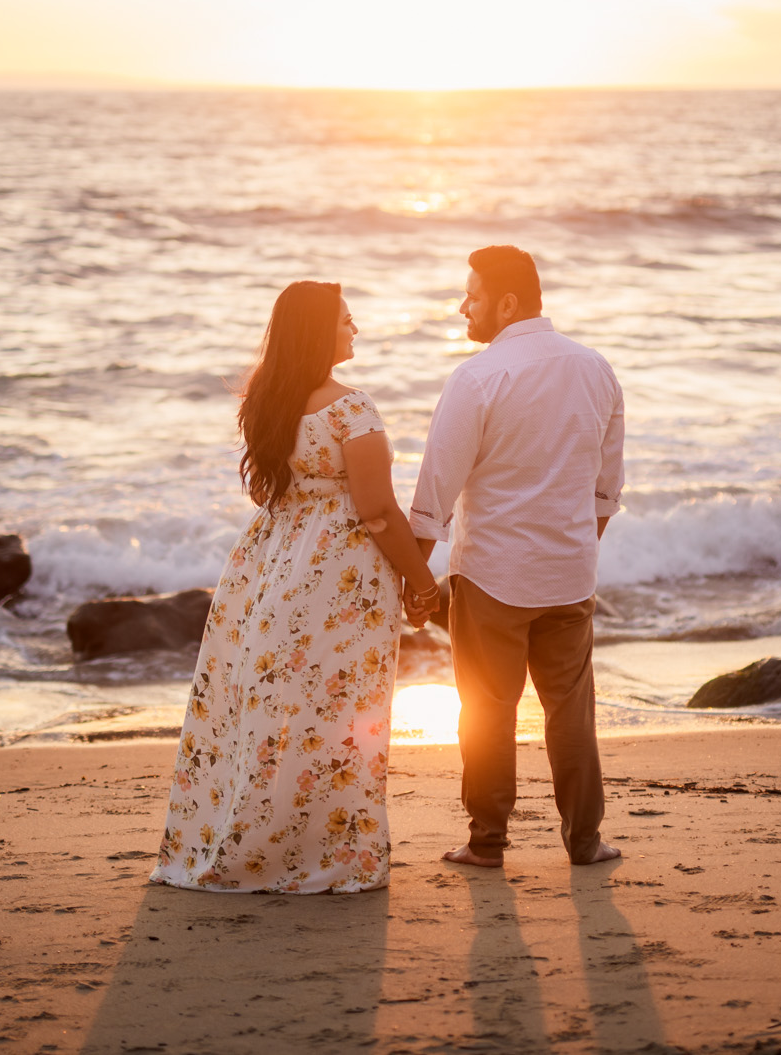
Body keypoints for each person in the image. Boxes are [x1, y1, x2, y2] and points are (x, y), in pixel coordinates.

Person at [151, 280, 442, 894]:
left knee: (274, 709)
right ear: (317, 332)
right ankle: (328, 853)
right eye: (345, 319)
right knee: (339, 710)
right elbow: (379, 513)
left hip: (270, 563)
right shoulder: (351, 409)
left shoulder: (269, 399)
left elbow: (275, 492)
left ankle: (258, 842)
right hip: (339, 575)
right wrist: (423, 583)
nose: (356, 327)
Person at [408, 246, 625, 868]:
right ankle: (585, 843)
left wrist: (415, 578)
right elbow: (606, 493)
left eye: (471, 296)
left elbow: (433, 496)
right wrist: (570, 549)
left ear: (506, 302)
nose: (462, 306)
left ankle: (487, 844)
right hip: (569, 578)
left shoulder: (478, 377)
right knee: (571, 715)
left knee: (486, 714)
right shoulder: (595, 369)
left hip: (492, 578)